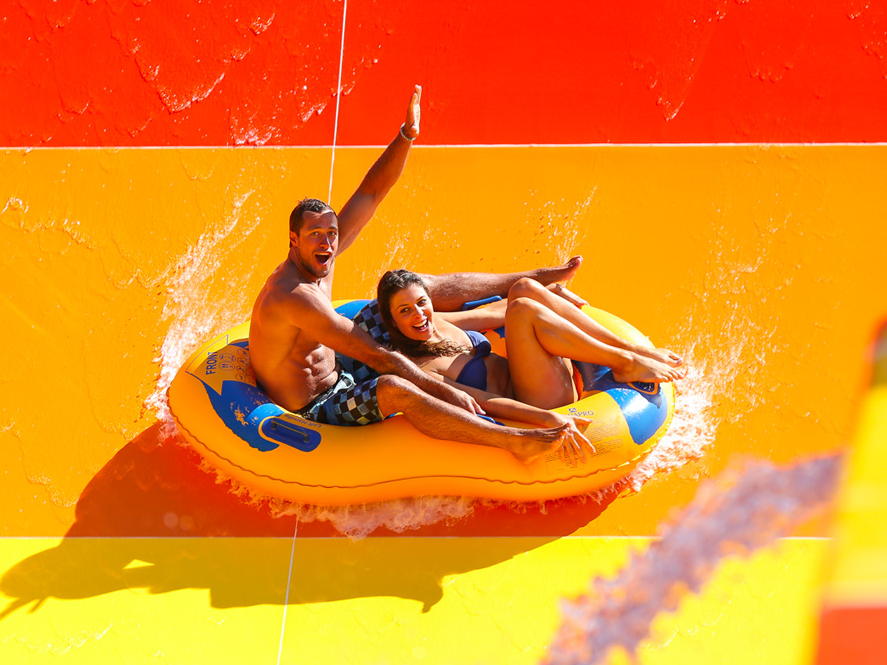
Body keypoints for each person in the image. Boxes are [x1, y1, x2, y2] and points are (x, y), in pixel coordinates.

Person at [248, 85, 593, 464]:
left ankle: (535, 277)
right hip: (316, 404)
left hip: (341, 369)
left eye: (332, 234)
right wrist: (443, 391)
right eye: (316, 235)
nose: (329, 243)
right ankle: (509, 439)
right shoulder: (294, 296)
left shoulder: (320, 259)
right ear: (293, 240)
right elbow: (380, 358)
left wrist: (406, 136)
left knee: (412, 288)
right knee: (397, 386)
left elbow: (371, 193)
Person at [375, 269, 686, 430]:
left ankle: (632, 352)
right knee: (523, 308)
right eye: (405, 311)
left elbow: (497, 311)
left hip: (539, 371)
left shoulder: (439, 321)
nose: (419, 315)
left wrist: (549, 294)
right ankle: (626, 361)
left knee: (523, 290)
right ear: (392, 321)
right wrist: (545, 420)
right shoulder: (416, 368)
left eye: (421, 302)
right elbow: (487, 403)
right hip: (537, 399)